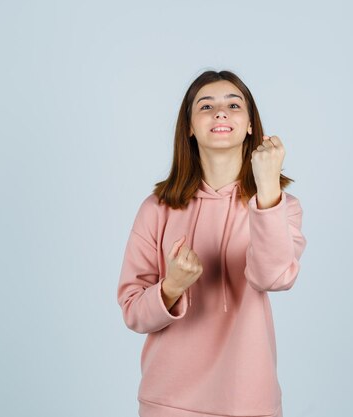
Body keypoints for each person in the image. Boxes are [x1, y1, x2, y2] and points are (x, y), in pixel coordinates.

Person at [117, 69, 307, 417]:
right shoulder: (157, 208)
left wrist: (267, 190)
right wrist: (171, 287)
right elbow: (132, 311)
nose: (220, 112)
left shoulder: (280, 207)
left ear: (251, 124)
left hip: (249, 402)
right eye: (206, 106)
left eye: (233, 104)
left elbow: (274, 277)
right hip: (168, 403)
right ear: (189, 127)